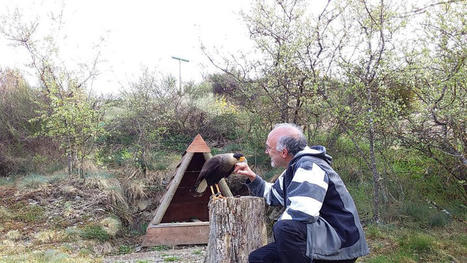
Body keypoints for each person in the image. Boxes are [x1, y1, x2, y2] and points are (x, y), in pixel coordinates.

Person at [234, 123, 369, 263]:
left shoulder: (309, 166)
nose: (266, 152)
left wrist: (278, 233)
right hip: (320, 237)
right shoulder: (294, 168)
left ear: (284, 152)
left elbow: (303, 212)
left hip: (340, 242)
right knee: (259, 258)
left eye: (269, 148)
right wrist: (252, 177)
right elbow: (273, 195)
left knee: (285, 228)